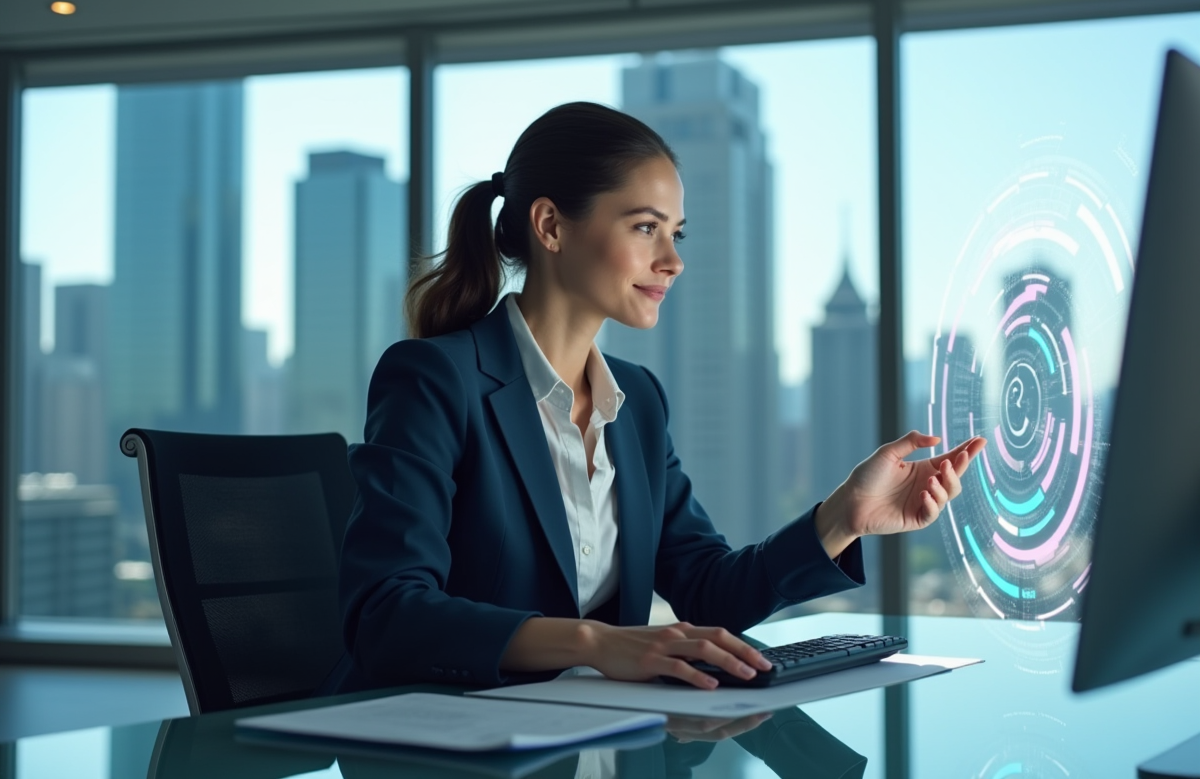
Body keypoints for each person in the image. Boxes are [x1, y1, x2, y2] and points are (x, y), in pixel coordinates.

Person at [323, 101, 984, 695]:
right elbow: (387, 614)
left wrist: (844, 516)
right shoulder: (435, 378)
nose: (673, 259)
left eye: (678, 233)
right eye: (646, 228)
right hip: (439, 749)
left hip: (587, 740)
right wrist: (598, 643)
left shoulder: (636, 402)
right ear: (551, 226)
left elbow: (705, 589)